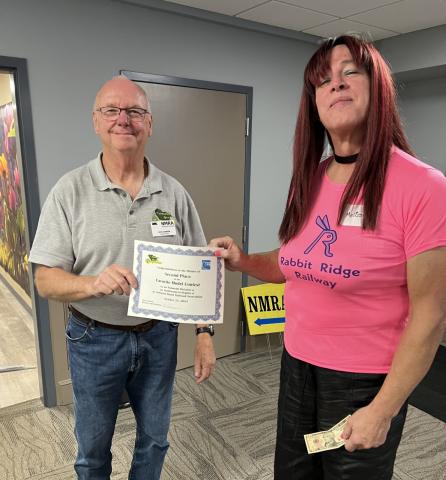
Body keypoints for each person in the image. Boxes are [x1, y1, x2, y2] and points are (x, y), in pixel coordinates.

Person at [210, 35, 446, 480]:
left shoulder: (423, 187)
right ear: (313, 103)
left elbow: (430, 316)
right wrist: (242, 260)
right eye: (323, 80)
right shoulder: (310, 178)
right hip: (298, 368)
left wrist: (383, 409)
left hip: (364, 382)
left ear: (378, 89)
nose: (335, 84)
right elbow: (294, 263)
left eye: (350, 72)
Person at [29, 76, 216, 480]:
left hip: (159, 336)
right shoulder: (69, 191)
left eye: (134, 111)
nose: (123, 119)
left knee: (156, 440)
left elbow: (201, 270)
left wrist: (204, 335)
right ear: (96, 121)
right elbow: (44, 280)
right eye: (111, 110)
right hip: (94, 339)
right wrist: (91, 283)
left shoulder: (173, 193)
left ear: (149, 123)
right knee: (93, 449)